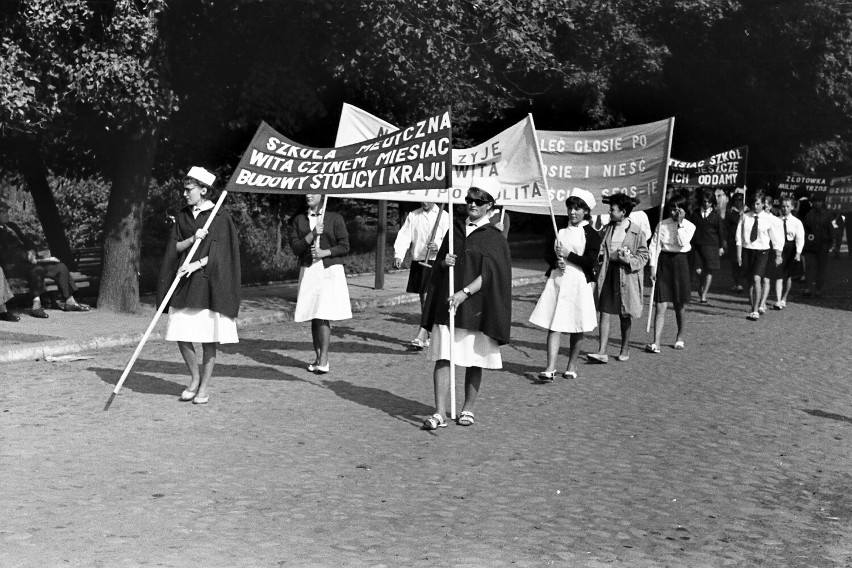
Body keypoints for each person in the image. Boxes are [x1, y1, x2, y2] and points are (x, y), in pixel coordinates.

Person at [420, 177, 511, 429]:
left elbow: (492, 274)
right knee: (443, 356)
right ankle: (439, 411)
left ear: (489, 206)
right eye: (469, 199)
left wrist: (464, 293)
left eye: (478, 201)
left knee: (473, 358)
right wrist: (444, 262)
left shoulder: (494, 237)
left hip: (474, 308)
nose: (472, 204)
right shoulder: (455, 230)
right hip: (447, 305)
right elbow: (438, 266)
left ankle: (467, 408)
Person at [156, 166, 241, 405]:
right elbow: (173, 247)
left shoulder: (220, 216)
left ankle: (204, 386)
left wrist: (196, 265)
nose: (185, 193)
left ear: (204, 190)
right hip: (183, 281)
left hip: (208, 282)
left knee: (207, 337)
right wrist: (193, 239)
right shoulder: (183, 215)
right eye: (184, 189)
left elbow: (223, 253)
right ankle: (194, 378)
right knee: (181, 332)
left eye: (189, 189)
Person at [528, 189, 601, 380]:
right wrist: (555, 262)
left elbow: (591, 262)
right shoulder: (558, 229)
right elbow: (548, 253)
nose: (572, 212)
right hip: (558, 280)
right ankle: (550, 367)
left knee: (577, 325)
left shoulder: (591, 234)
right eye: (570, 208)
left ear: (586, 211)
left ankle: (571, 364)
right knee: (555, 323)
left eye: (577, 209)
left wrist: (570, 256)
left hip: (578, 282)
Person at [288, 194, 352, 374]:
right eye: (307, 192)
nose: (309, 195)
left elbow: (345, 246)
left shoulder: (334, 218)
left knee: (323, 313)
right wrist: (312, 234)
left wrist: (326, 252)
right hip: (309, 270)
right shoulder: (299, 220)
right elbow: (296, 248)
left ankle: (324, 360)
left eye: (314, 192)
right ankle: (318, 358)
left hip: (329, 271)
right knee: (313, 314)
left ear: (323, 196)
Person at [0, 200, 90, 318]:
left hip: (29, 262)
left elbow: (28, 242)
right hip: (11, 266)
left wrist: (31, 251)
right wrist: (25, 257)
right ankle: (36, 306)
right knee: (35, 270)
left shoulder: (12, 226)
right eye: (3, 212)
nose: (7, 214)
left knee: (60, 267)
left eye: (7, 211)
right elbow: (4, 254)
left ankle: (70, 301)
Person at [587, 193, 649, 363]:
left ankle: (625, 348)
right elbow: (601, 248)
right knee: (605, 310)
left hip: (626, 275)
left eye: (612, 209)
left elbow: (644, 256)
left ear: (622, 212)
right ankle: (602, 351)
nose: (609, 212)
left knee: (624, 313)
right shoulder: (607, 229)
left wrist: (628, 260)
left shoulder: (636, 232)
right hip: (608, 272)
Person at [392, 202, 449, 350]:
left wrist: (438, 246)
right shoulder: (413, 215)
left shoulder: (444, 216)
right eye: (422, 199)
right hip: (419, 261)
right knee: (424, 299)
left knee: (428, 297)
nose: (424, 202)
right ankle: (429, 333)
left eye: (427, 198)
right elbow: (405, 235)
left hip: (437, 262)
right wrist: (399, 255)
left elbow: (450, 240)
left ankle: (422, 334)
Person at [647, 194, 696, 353]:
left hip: (680, 262)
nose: (675, 212)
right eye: (672, 209)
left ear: (684, 210)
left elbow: (682, 242)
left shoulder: (690, 226)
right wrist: (652, 266)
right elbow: (654, 245)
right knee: (660, 304)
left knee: (679, 303)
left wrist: (680, 225)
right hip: (664, 262)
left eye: (678, 209)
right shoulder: (662, 224)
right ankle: (656, 342)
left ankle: (680, 335)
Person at [735, 190, 783, 321]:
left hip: (762, 252)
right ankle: (752, 307)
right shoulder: (745, 216)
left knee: (757, 278)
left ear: (763, 205)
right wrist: (739, 254)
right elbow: (739, 236)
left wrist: (778, 254)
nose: (755, 206)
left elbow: (775, 238)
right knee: (749, 281)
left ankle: (756, 309)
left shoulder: (768, 219)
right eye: (753, 204)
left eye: (758, 204)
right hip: (748, 250)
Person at [688, 188, 724, 303]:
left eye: (709, 201)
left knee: (709, 270)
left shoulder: (716, 216)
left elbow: (720, 232)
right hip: (697, 245)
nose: (706, 203)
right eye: (704, 201)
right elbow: (690, 228)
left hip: (712, 246)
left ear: (712, 202)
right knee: (698, 270)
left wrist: (721, 246)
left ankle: (704, 294)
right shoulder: (696, 213)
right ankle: (701, 284)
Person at [770, 196, 805, 309]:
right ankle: (778, 300)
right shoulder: (776, 220)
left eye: (787, 206)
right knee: (779, 273)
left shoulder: (796, 222)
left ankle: (784, 297)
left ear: (792, 207)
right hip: (779, 248)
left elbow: (800, 238)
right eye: (783, 206)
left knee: (788, 275)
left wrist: (798, 253)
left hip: (791, 248)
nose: (785, 209)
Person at [801, 193, 833, 297]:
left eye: (820, 201)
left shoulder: (829, 215)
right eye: (815, 201)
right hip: (810, 246)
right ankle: (808, 288)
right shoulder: (809, 215)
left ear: (823, 202)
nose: (818, 203)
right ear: (813, 203)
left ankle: (819, 289)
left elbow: (833, 230)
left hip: (823, 246)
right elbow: (804, 229)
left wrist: (831, 243)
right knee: (809, 267)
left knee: (821, 268)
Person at [724, 191, 745, 291]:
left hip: (744, 240)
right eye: (736, 200)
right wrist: (725, 240)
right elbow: (726, 227)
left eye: (740, 200)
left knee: (743, 262)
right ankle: (736, 282)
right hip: (733, 240)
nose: (738, 202)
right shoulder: (730, 212)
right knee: (734, 262)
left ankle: (741, 281)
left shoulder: (747, 212)